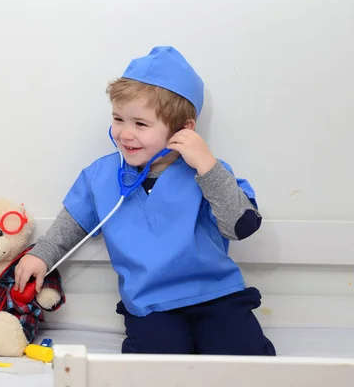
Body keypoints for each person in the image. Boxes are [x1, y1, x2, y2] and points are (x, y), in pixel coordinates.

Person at [14, 46, 276, 356]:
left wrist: (206, 165)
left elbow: (242, 225)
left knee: (245, 362)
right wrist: (41, 256)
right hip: (151, 307)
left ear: (184, 129)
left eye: (141, 124)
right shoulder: (100, 176)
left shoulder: (208, 172)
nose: (125, 134)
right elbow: (70, 227)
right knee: (153, 364)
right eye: (118, 119)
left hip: (217, 297)